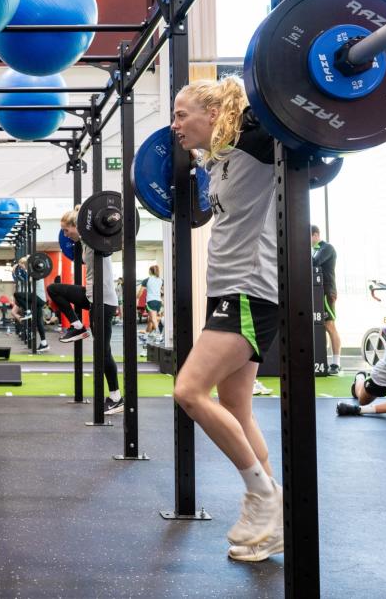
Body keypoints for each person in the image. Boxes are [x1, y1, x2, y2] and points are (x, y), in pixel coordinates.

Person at [169, 77, 284, 563]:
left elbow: (277, 104)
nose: (174, 125)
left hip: (248, 291)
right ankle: (273, 519)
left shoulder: (255, 147)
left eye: (181, 114)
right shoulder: (217, 163)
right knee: (237, 408)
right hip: (228, 291)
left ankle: (262, 498)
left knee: (189, 391)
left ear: (215, 114)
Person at [48, 208, 120, 412]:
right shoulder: (84, 243)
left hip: (104, 301)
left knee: (103, 352)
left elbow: (109, 247)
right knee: (54, 289)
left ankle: (116, 397)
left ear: (76, 227)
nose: (64, 234)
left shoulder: (96, 241)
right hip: (91, 297)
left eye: (66, 229)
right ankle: (78, 326)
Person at [311, 225, 341, 375]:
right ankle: (322, 361)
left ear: (316, 235)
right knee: (320, 327)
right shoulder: (314, 249)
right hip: (316, 291)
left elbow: (314, 262)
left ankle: (336, 363)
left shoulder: (326, 248)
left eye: (308, 237)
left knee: (329, 325)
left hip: (326, 291)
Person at [12, 257, 49, 352]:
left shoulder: (36, 272)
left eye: (23, 266)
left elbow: (25, 275)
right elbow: (22, 277)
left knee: (16, 294)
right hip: (38, 299)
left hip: (38, 298)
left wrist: (20, 266)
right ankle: (44, 343)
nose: (22, 268)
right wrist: (15, 270)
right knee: (38, 322)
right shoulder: (32, 273)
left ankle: (28, 311)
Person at [140, 265, 163, 341]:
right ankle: (145, 337)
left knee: (153, 319)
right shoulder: (161, 280)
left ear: (150, 271)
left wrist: (135, 297)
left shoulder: (146, 280)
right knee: (150, 320)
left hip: (151, 302)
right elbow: (163, 291)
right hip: (158, 302)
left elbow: (140, 293)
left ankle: (159, 335)